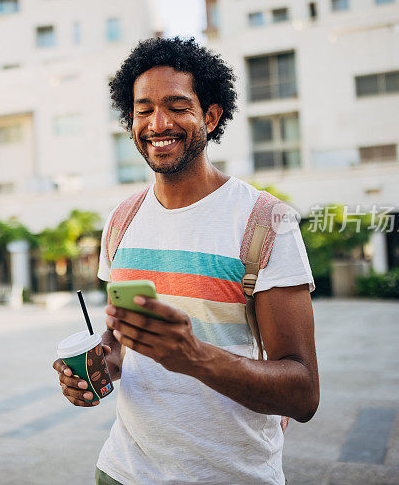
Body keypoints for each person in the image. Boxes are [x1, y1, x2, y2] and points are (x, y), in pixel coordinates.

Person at [51, 37, 319, 485]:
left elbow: (303, 392)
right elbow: (123, 344)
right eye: (143, 109)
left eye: (177, 106)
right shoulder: (122, 221)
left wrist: (194, 356)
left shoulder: (265, 222)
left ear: (210, 116)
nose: (158, 123)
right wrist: (101, 362)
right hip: (122, 471)